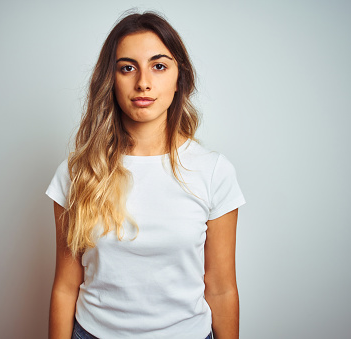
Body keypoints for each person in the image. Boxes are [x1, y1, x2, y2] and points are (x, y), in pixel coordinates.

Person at [46, 11, 245, 339]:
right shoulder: (79, 172)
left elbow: (222, 289)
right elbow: (65, 288)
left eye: (159, 66)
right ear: (111, 79)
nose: (143, 82)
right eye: (127, 68)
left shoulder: (213, 171)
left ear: (179, 77)